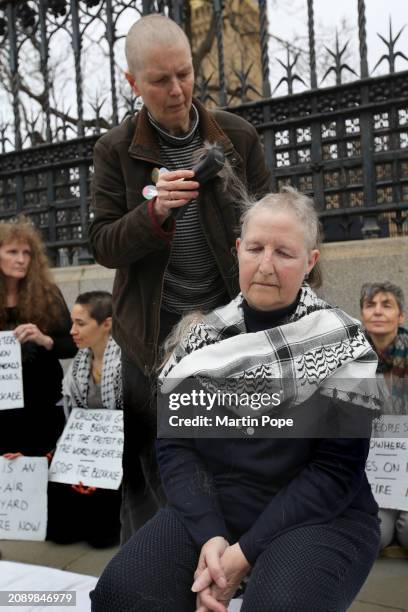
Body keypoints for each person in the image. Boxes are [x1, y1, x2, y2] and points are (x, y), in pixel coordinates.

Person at [91, 188, 380, 612]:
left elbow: (336, 471)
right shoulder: (200, 341)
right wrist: (211, 537)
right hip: (218, 504)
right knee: (123, 593)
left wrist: (239, 556)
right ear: (237, 251)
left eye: (284, 252)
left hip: (322, 513)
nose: (266, 265)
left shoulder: (344, 342)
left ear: (310, 261)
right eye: (255, 248)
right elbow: (176, 447)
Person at [89, 13, 272, 541]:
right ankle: (154, 571)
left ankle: (228, 565)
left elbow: (267, 221)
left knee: (232, 456)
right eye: (160, 80)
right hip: (150, 334)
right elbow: (102, 243)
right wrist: (153, 215)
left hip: (226, 328)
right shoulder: (115, 150)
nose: (177, 90)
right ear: (132, 82)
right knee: (154, 468)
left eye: (185, 74)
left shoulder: (237, 136)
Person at [47, 291, 123, 547]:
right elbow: (72, 417)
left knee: (101, 538)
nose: (72, 331)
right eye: (72, 323)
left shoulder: (127, 362)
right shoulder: (81, 362)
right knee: (60, 532)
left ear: (107, 324)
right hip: (88, 446)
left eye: (80, 323)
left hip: (121, 451)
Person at [0, 217, 76, 456]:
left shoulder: (48, 293)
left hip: (41, 403)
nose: (21, 259)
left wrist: (45, 339)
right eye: (12, 252)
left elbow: (72, 345)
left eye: (27, 253)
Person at [360, 281, 408, 551]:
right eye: (370, 305)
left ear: (400, 316)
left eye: (386, 305)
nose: (377, 312)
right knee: (376, 533)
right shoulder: (349, 359)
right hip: (374, 472)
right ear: (362, 314)